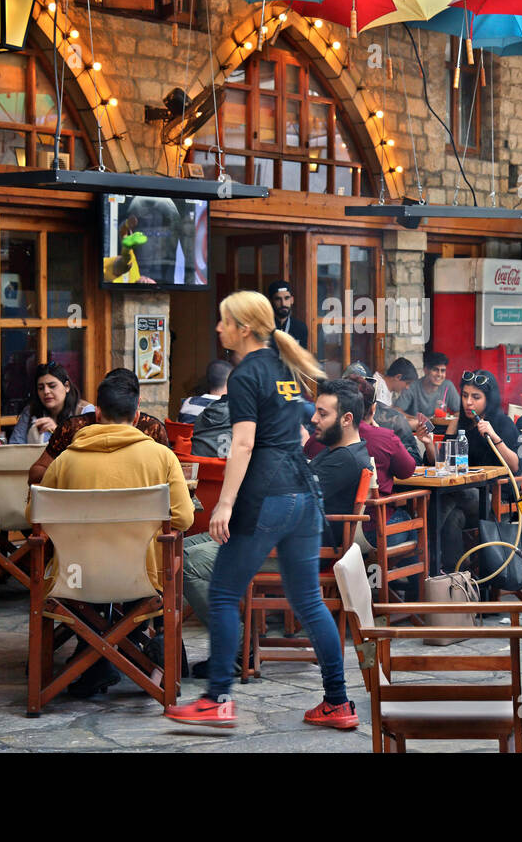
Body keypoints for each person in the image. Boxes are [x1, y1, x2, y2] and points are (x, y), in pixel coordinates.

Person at [166, 291, 356, 730]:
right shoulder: (284, 365)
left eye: (224, 322)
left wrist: (225, 505)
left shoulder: (245, 373)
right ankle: (338, 702)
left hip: (267, 496)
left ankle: (216, 699)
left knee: (222, 594)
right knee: (309, 601)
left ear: (243, 328)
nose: (218, 328)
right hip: (304, 496)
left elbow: (245, 443)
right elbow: (302, 424)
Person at [31, 369, 195, 697]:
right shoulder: (161, 456)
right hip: (141, 578)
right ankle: (123, 654)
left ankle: (94, 660)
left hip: (74, 578)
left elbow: (36, 516)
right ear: (136, 416)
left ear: (98, 414)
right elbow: (185, 518)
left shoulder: (65, 461)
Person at [28, 370, 169, 485]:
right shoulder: (156, 436)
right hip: (141, 516)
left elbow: (35, 496)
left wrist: (66, 472)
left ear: (98, 411)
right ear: (137, 407)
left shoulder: (70, 446)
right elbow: (180, 513)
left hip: (80, 516)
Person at [305, 380, 372, 547]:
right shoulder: (346, 451)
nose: (314, 419)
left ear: (346, 419)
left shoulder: (345, 459)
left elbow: (295, 498)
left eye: (323, 414)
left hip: (310, 549)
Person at [9, 362, 95, 445]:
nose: (46, 392)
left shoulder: (84, 411)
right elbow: (15, 445)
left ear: (67, 386)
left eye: (52, 386)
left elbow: (89, 451)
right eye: (41, 388)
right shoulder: (31, 410)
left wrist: (58, 432)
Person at [393, 350, 461, 429]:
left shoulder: (448, 386)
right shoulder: (412, 386)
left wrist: (451, 419)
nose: (439, 374)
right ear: (425, 370)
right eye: (435, 370)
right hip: (417, 430)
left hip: (440, 430)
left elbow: (459, 411)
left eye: (442, 371)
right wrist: (420, 419)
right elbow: (397, 410)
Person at [264, 279, 308, 348]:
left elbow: (302, 357)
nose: (283, 304)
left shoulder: (300, 328)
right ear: (270, 301)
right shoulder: (263, 327)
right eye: (278, 299)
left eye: (286, 298)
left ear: (292, 300)